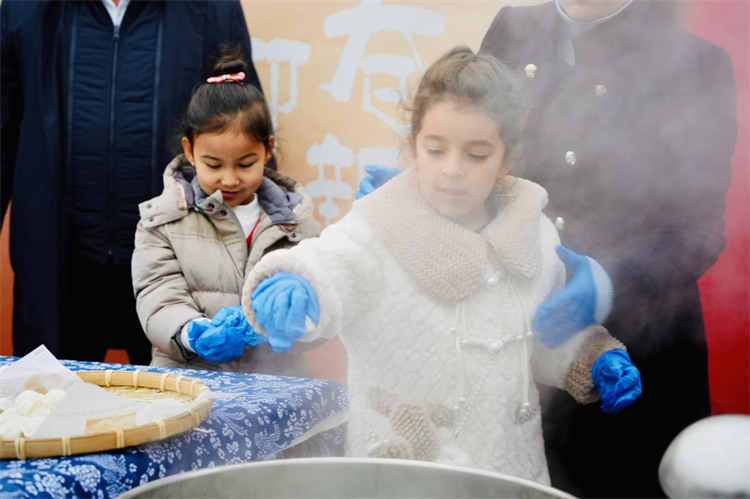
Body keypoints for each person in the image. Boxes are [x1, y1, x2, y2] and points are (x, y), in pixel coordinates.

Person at [241, 47, 641, 484]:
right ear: (413, 147)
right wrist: (296, 284)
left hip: (508, 473)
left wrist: (593, 359)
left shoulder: (535, 233)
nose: (453, 170)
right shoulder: (378, 226)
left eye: (476, 155)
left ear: (507, 159)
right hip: (400, 476)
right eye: (436, 149)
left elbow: (545, 335)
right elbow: (333, 265)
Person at [479, 1, 737, 496]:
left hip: (636, 364)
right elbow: (478, 151)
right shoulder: (513, 27)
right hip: (516, 344)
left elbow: (697, 230)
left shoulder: (692, 62)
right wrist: (418, 196)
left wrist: (604, 282)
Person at [0, 0, 263, 364]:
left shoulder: (211, 8)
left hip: (175, 270)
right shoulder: (26, 8)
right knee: (51, 410)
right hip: (58, 263)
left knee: (179, 412)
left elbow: (244, 129)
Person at [131, 48, 318, 376]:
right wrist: (191, 333)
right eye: (213, 164)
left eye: (246, 163)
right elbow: (158, 297)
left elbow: (324, 301)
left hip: (277, 386)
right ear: (189, 150)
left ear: (268, 150)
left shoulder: (294, 221)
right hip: (189, 383)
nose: (230, 179)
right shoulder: (162, 221)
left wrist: (300, 319)